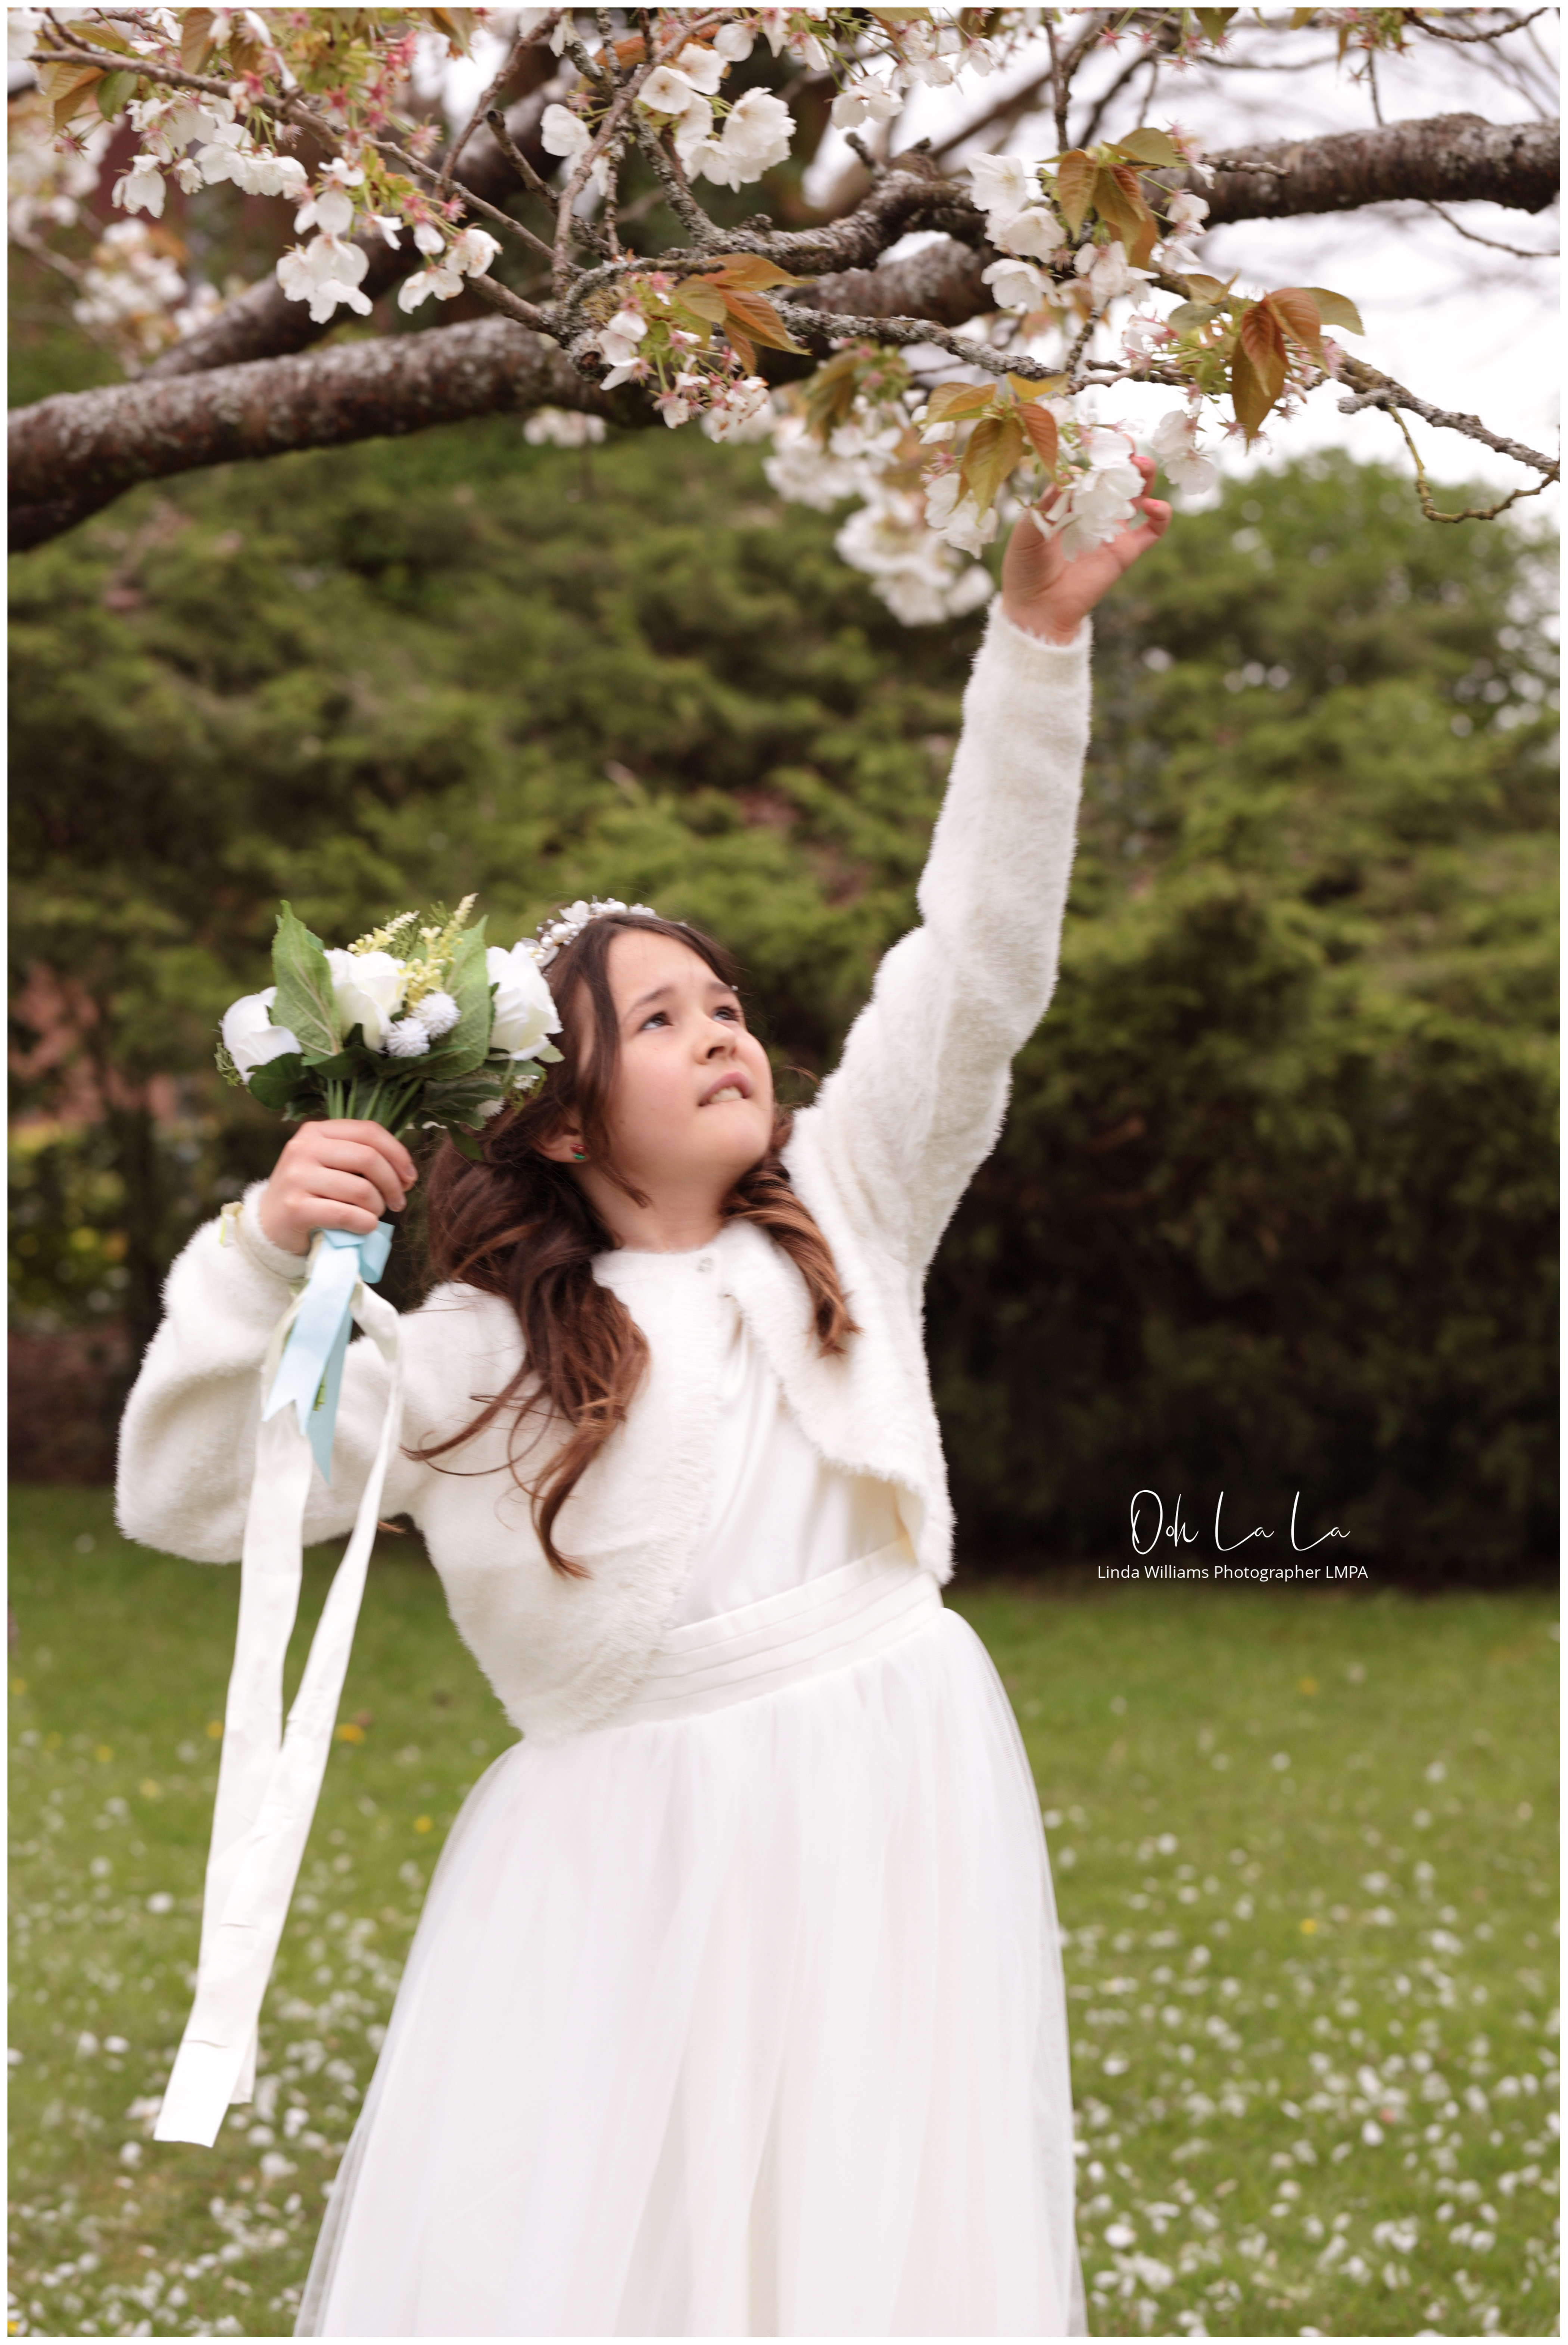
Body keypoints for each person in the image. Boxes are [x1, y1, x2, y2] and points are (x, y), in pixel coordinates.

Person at [117, 461, 1171, 2338]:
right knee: (620, 2236)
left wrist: (1036, 643)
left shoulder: (852, 1208)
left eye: (729, 998)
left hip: (889, 1775)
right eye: (662, 1016)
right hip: (624, 1849)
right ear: (553, 1109)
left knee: (869, 2215)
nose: (725, 1029)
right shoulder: (471, 1356)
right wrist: (269, 1254)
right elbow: (195, 1490)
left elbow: (980, 965)